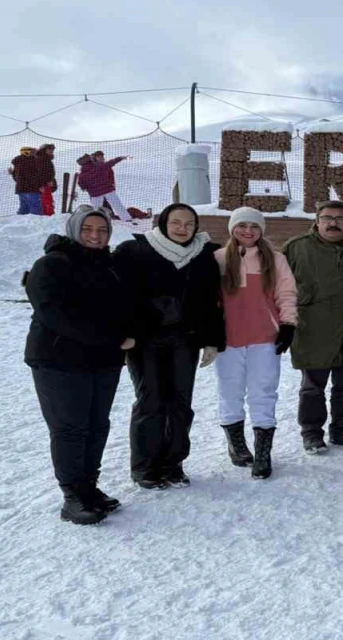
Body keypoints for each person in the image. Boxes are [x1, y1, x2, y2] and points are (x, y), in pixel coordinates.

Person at [24, 206, 133, 524]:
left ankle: (89, 487)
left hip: (104, 362)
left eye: (102, 230)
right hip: (59, 361)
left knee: (97, 425)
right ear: (74, 229)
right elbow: (53, 313)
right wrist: (111, 338)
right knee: (70, 429)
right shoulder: (52, 264)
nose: (95, 235)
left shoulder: (111, 266)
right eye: (87, 229)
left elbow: (129, 307)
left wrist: (133, 331)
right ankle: (72, 496)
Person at [113, 203, 224, 489]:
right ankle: (145, 466)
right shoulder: (135, 251)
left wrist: (212, 339)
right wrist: (126, 332)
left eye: (189, 224)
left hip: (185, 340)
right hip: (145, 340)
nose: (182, 229)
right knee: (151, 401)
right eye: (176, 222)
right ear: (163, 223)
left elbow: (211, 300)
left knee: (180, 403)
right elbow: (118, 296)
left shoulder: (203, 255)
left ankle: (173, 463)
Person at [282, 200, 343, 455]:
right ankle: (312, 433)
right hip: (313, 330)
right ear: (317, 221)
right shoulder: (297, 248)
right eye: (327, 218)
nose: (333, 223)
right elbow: (279, 288)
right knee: (313, 387)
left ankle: (342, 430)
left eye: (340, 218)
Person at [213, 207, 297, 480]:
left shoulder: (275, 259)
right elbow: (208, 299)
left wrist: (288, 324)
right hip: (228, 338)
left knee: (263, 392)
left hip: (265, 337)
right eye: (242, 225)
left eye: (254, 226)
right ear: (232, 228)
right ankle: (237, 445)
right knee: (230, 391)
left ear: (261, 230)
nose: (248, 231)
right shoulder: (218, 259)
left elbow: (286, 292)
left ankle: (263, 452)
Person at [76, 151, 131, 221]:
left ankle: (95, 220)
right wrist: (120, 158)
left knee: (96, 208)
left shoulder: (82, 174)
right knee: (117, 204)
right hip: (107, 190)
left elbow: (81, 184)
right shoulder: (100, 166)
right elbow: (111, 162)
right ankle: (126, 219)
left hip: (95, 193)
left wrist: (87, 188)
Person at [11, 146, 55, 215]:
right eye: (33, 152)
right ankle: (37, 222)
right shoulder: (32, 161)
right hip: (32, 189)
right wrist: (40, 185)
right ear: (27, 152)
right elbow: (35, 176)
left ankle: (20, 221)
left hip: (21, 189)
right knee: (36, 210)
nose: (35, 153)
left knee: (24, 209)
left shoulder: (18, 162)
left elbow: (16, 178)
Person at [36, 144, 58, 216]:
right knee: (48, 200)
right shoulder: (41, 159)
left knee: (46, 200)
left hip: (46, 183)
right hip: (44, 184)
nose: (51, 151)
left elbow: (49, 172)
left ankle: (47, 215)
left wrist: (51, 180)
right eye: (49, 149)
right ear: (44, 150)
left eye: (52, 149)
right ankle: (50, 215)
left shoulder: (46, 159)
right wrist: (41, 185)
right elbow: (38, 173)